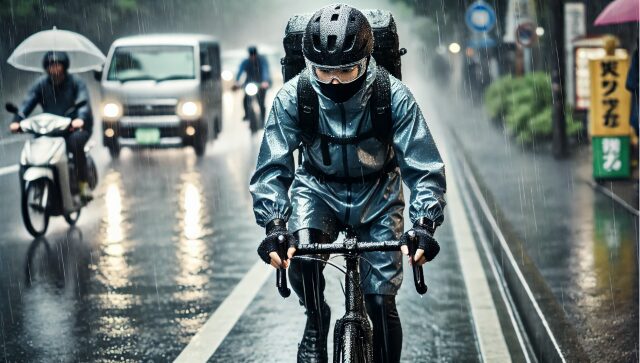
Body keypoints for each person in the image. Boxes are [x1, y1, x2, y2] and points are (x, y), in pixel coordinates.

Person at [250, 4, 446, 363]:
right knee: (303, 257)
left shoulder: (394, 95)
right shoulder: (294, 96)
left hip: (380, 193)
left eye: (346, 70)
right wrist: (276, 225)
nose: (335, 81)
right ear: (309, 64)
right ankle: (315, 318)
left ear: (368, 61)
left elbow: (424, 167)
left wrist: (424, 223)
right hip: (317, 189)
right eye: (324, 72)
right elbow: (271, 169)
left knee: (380, 302)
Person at [9, 51, 94, 201]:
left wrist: (80, 119)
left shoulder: (76, 83)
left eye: (57, 65)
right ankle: (33, 188)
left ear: (64, 66)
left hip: (73, 127)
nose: (53, 69)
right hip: (50, 129)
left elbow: (84, 105)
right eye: (50, 65)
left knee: (75, 144)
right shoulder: (41, 84)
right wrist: (17, 120)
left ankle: (83, 184)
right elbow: (27, 104)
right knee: (33, 150)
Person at [235, 46, 271, 121]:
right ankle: (246, 114)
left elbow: (265, 71)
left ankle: (262, 119)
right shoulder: (246, 62)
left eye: (254, 55)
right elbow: (240, 71)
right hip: (249, 83)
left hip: (261, 84)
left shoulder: (262, 61)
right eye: (251, 55)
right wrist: (237, 82)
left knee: (261, 102)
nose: (252, 57)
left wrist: (265, 81)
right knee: (245, 100)